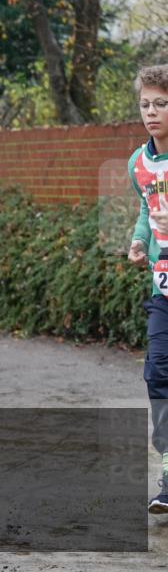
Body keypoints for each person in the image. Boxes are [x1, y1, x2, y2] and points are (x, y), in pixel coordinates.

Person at [126, 64, 168, 514]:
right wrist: (140, 240)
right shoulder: (139, 162)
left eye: (161, 103)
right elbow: (145, 207)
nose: (151, 112)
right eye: (145, 104)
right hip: (163, 287)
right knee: (157, 372)